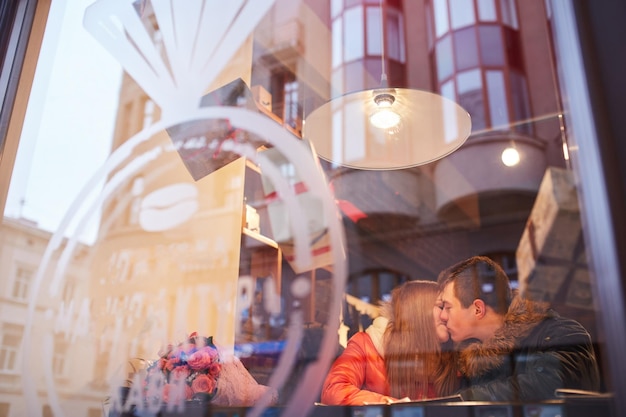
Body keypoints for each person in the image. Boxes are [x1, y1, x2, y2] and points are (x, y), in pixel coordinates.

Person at [437, 255, 601, 402]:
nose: (442, 316)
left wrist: (462, 401)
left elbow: (550, 384)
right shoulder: (472, 363)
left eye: (447, 307)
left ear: (478, 309)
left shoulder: (560, 333)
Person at [320, 280, 459, 405]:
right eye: (441, 307)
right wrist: (397, 407)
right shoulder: (367, 344)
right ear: (419, 310)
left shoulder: (450, 359)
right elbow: (334, 390)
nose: (446, 316)